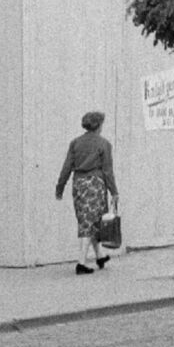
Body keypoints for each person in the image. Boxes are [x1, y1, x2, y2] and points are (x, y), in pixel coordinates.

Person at [55, 110, 119, 274]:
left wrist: (60, 187)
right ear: (98, 125)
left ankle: (100, 256)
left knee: (89, 221)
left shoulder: (75, 143)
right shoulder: (104, 144)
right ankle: (81, 263)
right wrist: (114, 191)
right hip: (95, 185)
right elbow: (107, 171)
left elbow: (67, 167)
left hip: (79, 185)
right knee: (90, 223)